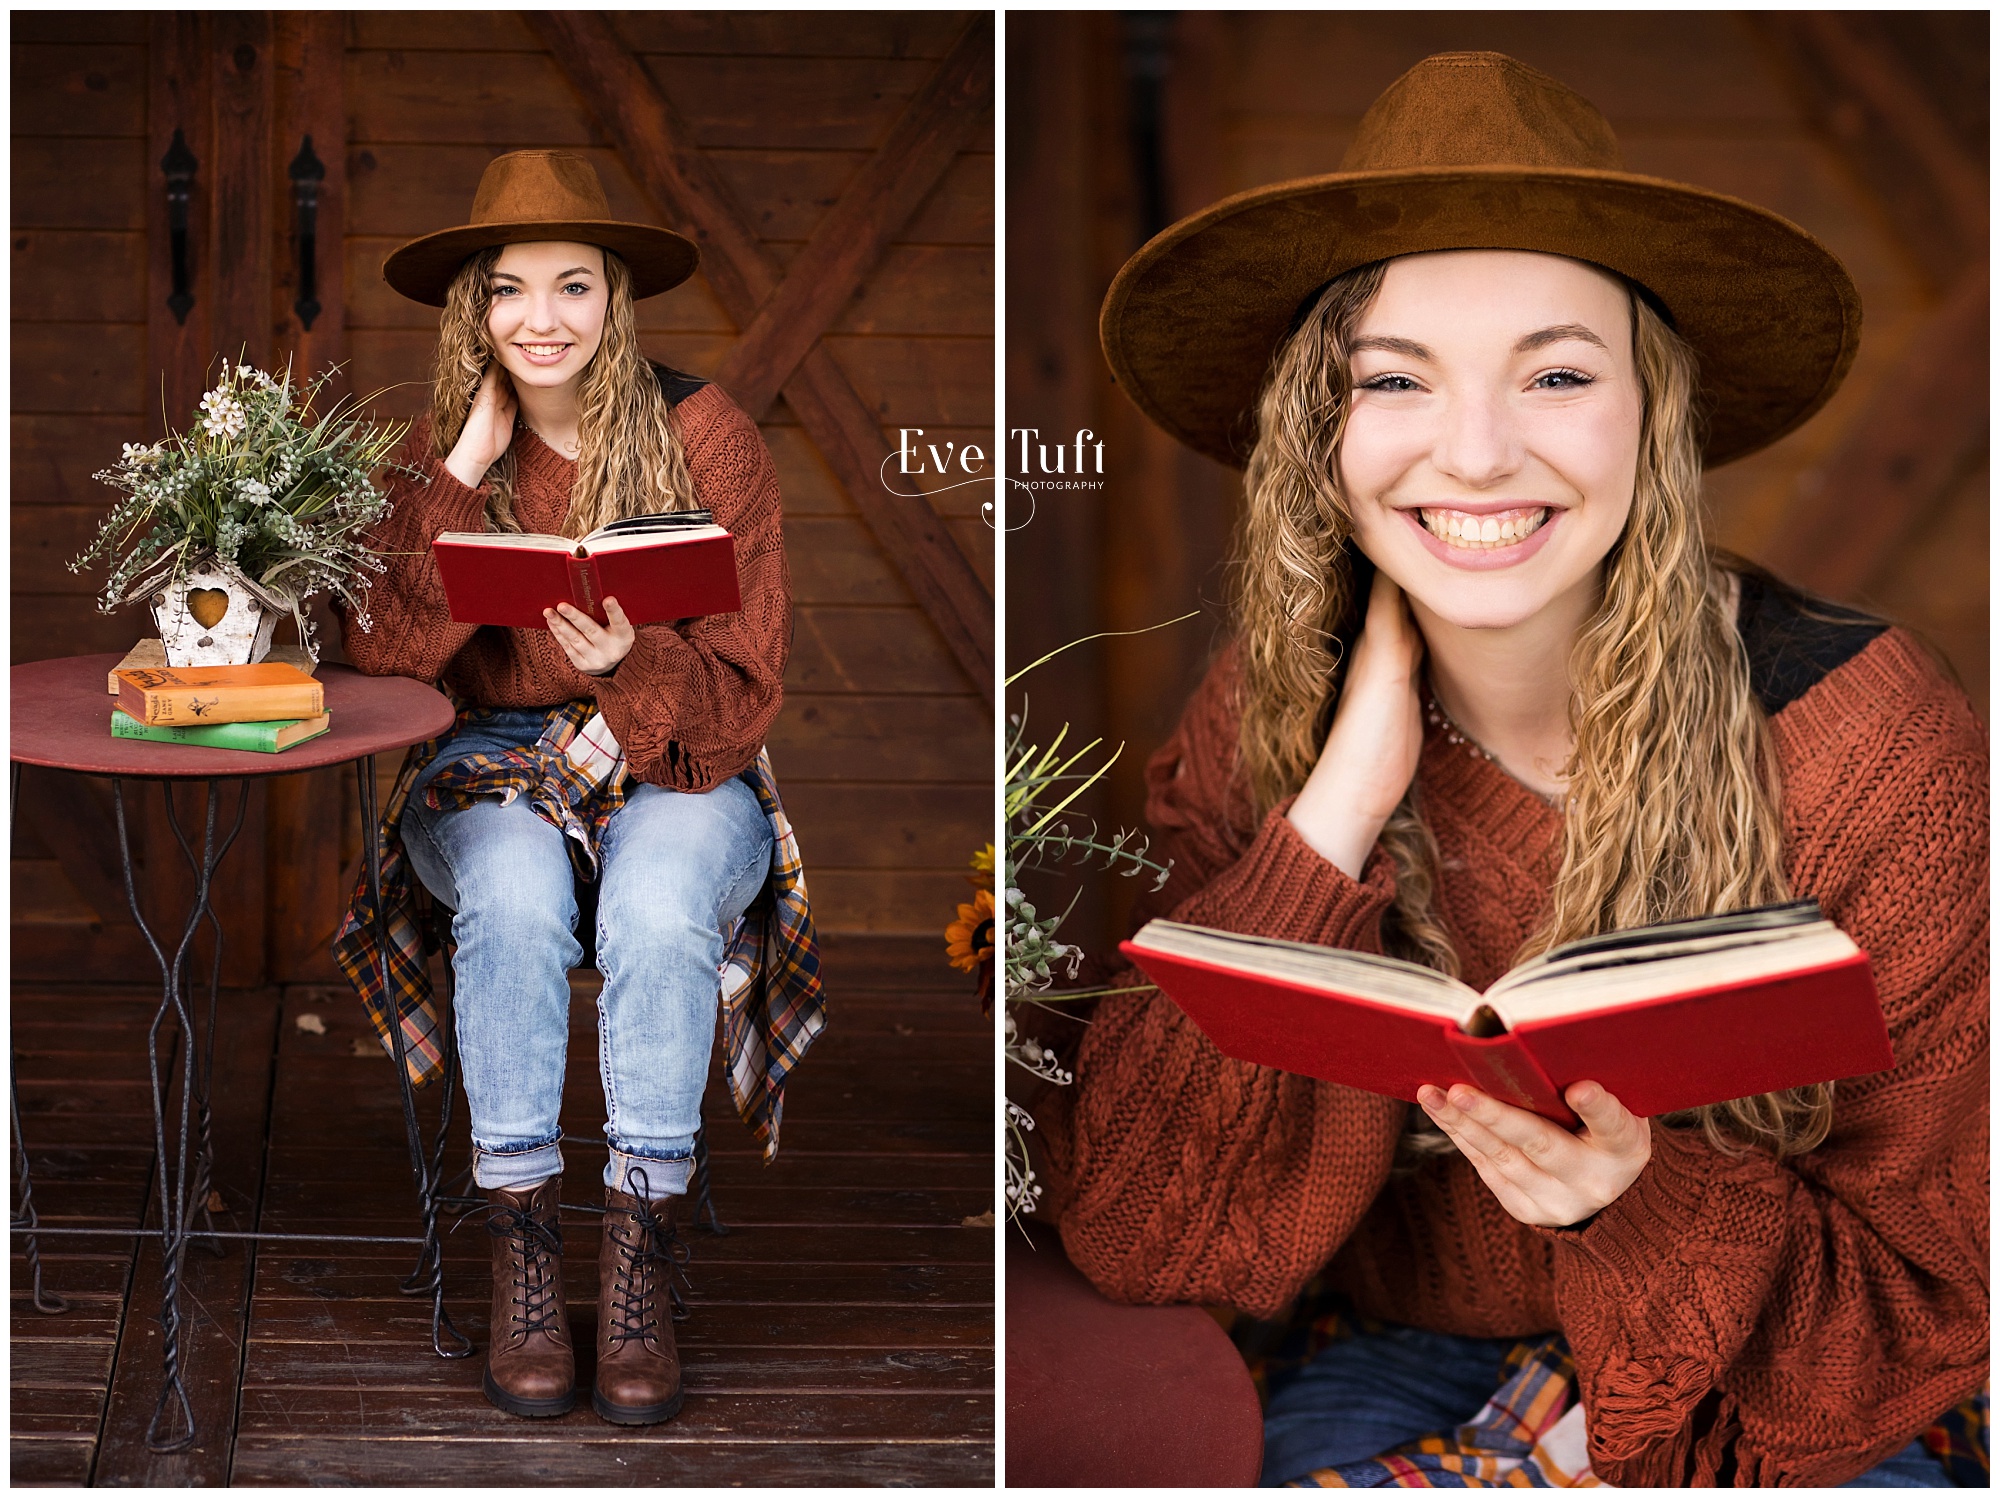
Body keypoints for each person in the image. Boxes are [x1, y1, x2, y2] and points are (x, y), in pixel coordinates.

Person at [1041, 54, 1986, 1486]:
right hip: (1390, 1353)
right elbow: (1137, 1227)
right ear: (1325, 431)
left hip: (1768, 1381)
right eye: (1394, 380)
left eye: (1555, 372)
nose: (1476, 455)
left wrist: (1640, 1199)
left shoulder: (1874, 748)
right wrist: (1337, 811)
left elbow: (1935, 1282)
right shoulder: (1264, 715)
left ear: (1652, 416)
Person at [336, 150, 820, 1426]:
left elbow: (746, 684)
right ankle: (525, 1259)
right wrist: (462, 463)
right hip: (490, 758)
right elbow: (377, 663)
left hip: (673, 753)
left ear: (615, 301)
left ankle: (642, 1255)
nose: (539, 318)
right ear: (473, 313)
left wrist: (635, 657)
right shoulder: (444, 452)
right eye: (508, 291)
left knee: (660, 904)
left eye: (571, 287)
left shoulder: (704, 435)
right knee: (508, 886)